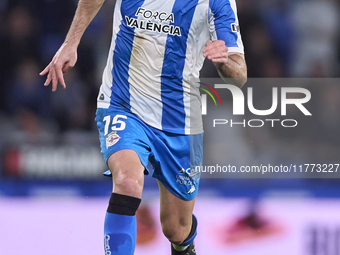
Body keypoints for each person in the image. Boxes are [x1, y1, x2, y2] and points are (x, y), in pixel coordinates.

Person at [40, 0, 247, 254]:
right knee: (127, 181)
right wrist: (71, 43)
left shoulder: (217, 3)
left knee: (176, 229)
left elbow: (239, 74)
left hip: (179, 119)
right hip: (123, 103)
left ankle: (184, 246)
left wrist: (224, 60)